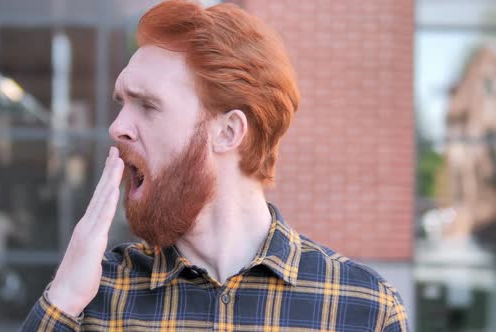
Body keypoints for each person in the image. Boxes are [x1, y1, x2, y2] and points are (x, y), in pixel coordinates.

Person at [20, 1, 409, 331]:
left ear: (227, 132)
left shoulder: (363, 309)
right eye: (122, 103)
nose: (117, 127)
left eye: (148, 105)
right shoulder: (97, 297)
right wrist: (64, 299)